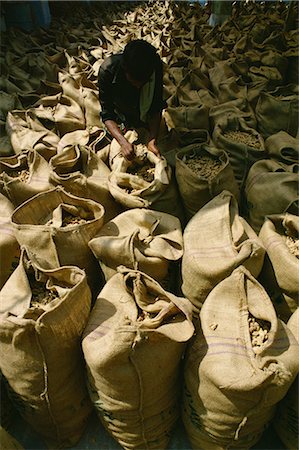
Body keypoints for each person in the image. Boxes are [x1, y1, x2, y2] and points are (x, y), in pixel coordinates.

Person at [98, 39, 166, 160]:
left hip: (145, 117)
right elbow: (107, 114)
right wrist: (123, 142)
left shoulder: (155, 68)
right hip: (121, 117)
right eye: (134, 81)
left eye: (144, 82)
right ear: (125, 70)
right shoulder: (108, 71)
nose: (139, 86)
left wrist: (152, 139)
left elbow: (156, 106)